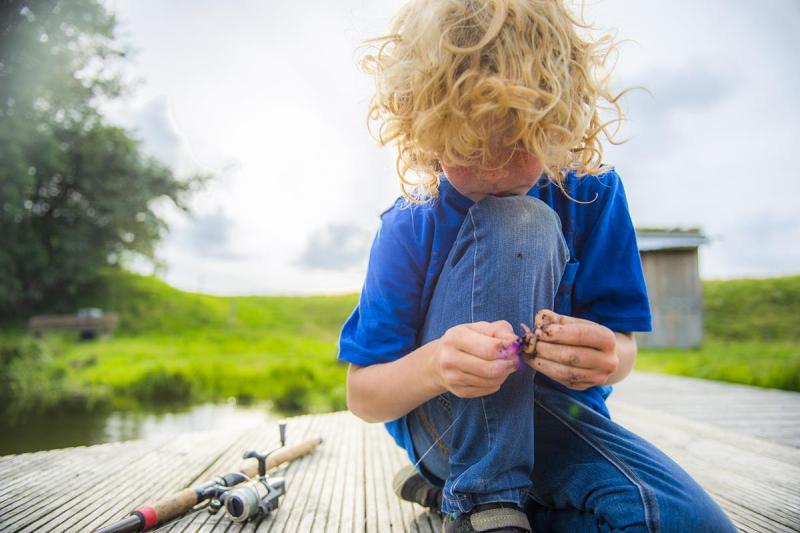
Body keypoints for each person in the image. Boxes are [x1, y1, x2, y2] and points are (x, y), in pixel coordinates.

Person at [337, 1, 736, 531]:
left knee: (685, 522)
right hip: (446, 428)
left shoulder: (594, 192)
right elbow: (363, 394)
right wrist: (436, 364)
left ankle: (462, 499)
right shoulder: (409, 222)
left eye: (521, 142)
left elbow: (622, 350)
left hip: (559, 418)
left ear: (560, 121)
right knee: (520, 220)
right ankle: (483, 499)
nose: (498, 169)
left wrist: (605, 358)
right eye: (471, 148)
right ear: (427, 135)